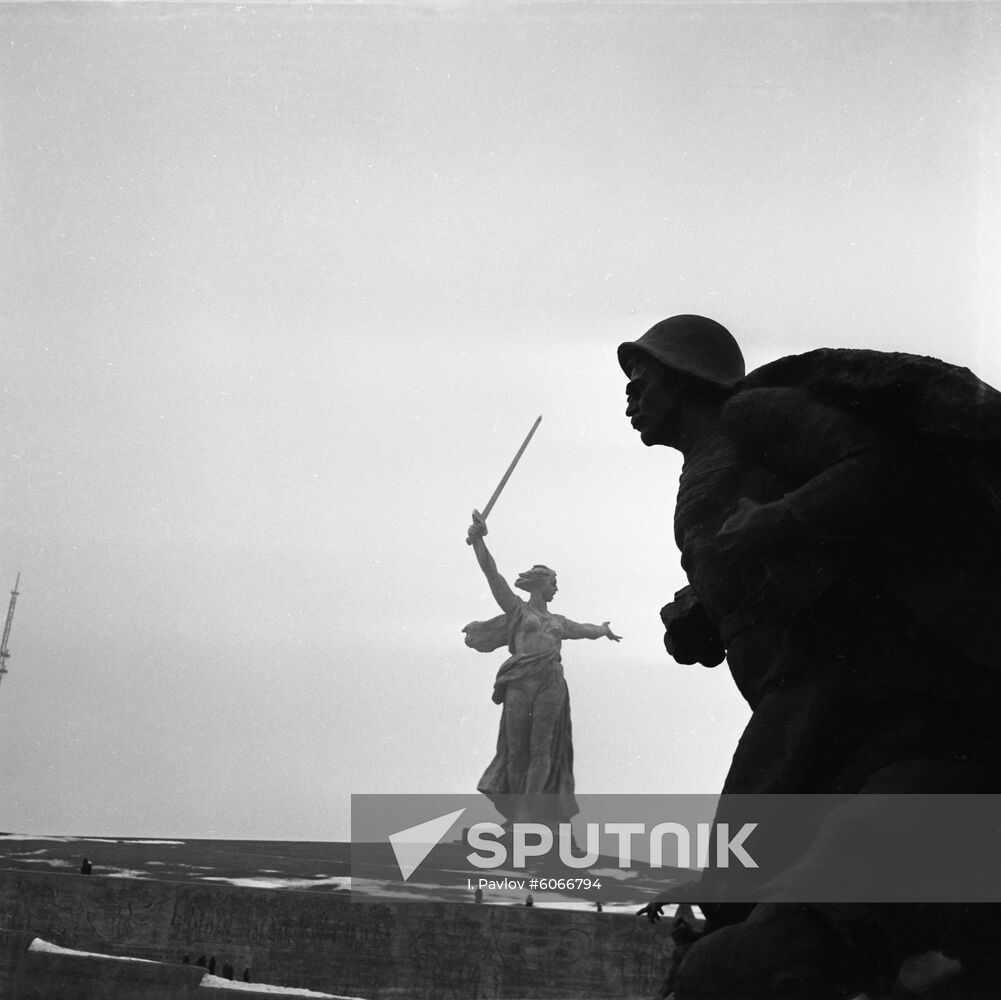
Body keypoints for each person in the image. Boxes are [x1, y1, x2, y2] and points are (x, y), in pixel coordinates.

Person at [619, 315, 1001, 998]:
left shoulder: (750, 414)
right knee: (745, 855)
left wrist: (778, 519)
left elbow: (882, 466)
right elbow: (747, 565)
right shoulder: (701, 467)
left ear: (683, 377)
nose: (630, 397)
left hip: (846, 670)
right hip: (792, 682)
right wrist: (702, 616)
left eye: (641, 379)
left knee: (748, 847)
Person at [464, 510, 620, 827]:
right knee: (515, 749)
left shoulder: (558, 622)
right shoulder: (518, 610)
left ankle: (527, 815)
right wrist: (479, 541)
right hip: (520, 681)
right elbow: (493, 577)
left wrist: (602, 629)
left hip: (550, 682)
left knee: (542, 748)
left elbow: (585, 629)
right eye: (553, 583)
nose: (556, 589)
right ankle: (515, 812)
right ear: (539, 585)